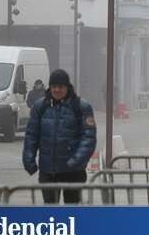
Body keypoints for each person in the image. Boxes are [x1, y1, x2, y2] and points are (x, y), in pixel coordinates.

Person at [22, 69, 97, 204]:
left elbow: (89, 139)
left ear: (67, 87)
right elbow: (31, 135)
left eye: (60, 87)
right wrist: (29, 160)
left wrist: (75, 161)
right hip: (48, 171)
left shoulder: (81, 107)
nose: (57, 90)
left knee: (71, 210)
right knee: (51, 211)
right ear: (49, 87)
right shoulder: (40, 107)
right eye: (53, 86)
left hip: (73, 172)